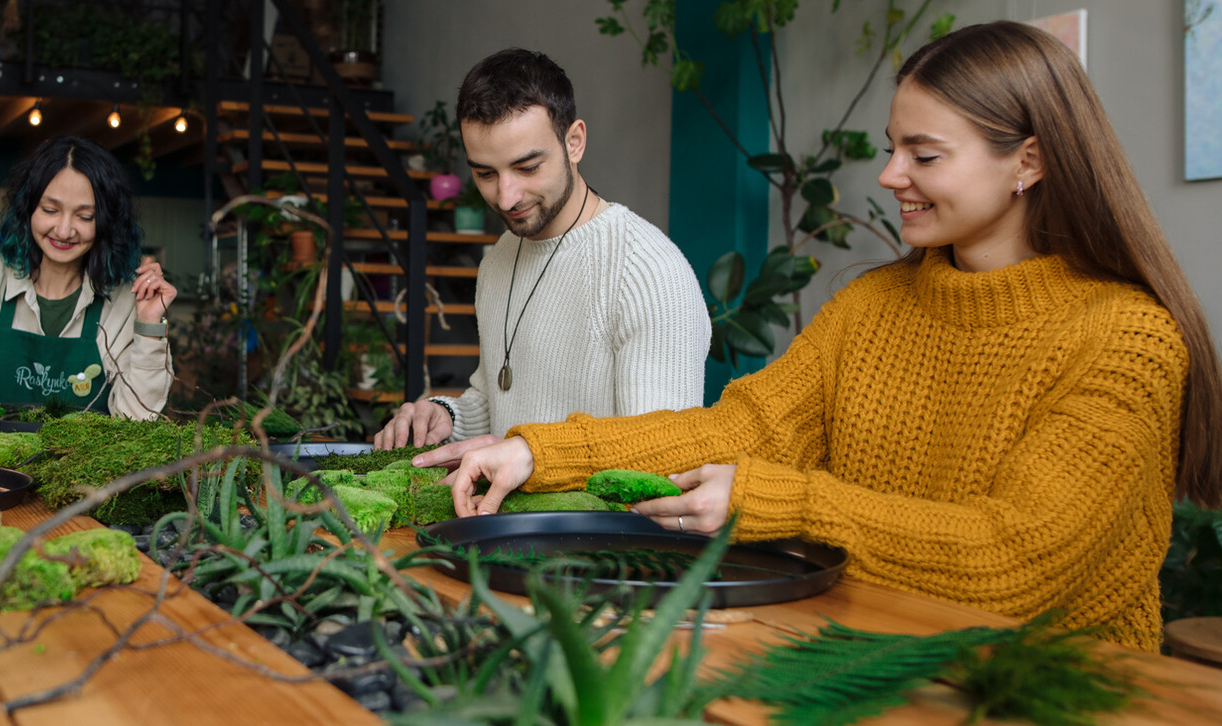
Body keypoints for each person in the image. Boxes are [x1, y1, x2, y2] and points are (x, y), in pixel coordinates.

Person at [427, 21, 1222, 651]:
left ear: (1029, 161)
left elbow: (1016, 560)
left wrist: (775, 501)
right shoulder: (871, 307)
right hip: (864, 662)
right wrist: (538, 452)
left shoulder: (1127, 340)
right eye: (892, 147)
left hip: (1047, 695)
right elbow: (741, 429)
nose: (889, 175)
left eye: (923, 154)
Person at [372, 48, 708, 449]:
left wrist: (535, 457)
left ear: (574, 142)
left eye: (527, 167)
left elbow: (660, 456)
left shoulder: (648, 273)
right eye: (485, 173)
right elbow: (498, 403)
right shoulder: (499, 258)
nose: (506, 196)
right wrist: (447, 416)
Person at [0, 135, 176, 420]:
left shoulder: (126, 303)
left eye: (85, 217)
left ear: (106, 223)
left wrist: (150, 326)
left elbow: (137, 421)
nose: (64, 230)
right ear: (27, 207)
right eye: (50, 210)